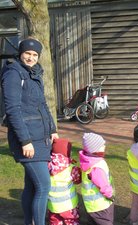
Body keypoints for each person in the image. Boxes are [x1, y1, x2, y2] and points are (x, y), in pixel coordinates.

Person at [1, 37, 58, 225]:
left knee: (32, 186)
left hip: (41, 137)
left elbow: (43, 105)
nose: (31, 57)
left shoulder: (35, 73)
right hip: (27, 140)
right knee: (43, 186)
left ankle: (29, 222)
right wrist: (25, 140)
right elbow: (13, 110)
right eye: (27, 53)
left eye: (35, 55)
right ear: (20, 53)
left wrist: (52, 129)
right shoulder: (13, 74)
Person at [79, 132, 115, 225]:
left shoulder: (88, 161)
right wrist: (111, 195)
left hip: (91, 206)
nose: (104, 146)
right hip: (101, 206)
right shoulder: (96, 167)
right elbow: (103, 185)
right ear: (94, 149)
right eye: (102, 145)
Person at [47, 138, 81, 225]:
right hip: (69, 206)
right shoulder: (71, 168)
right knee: (72, 222)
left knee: (55, 222)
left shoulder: (47, 166)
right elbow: (78, 180)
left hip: (53, 206)